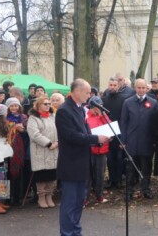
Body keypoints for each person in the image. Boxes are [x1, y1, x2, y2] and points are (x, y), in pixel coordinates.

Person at [56, 79, 109, 236]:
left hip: (82, 163)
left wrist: (101, 139)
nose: (89, 96)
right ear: (77, 91)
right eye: (87, 93)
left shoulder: (80, 109)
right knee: (69, 203)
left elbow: (86, 133)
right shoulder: (64, 110)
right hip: (71, 165)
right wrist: (95, 139)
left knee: (79, 202)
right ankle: (67, 233)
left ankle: (76, 232)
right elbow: (71, 136)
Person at [120, 79, 158, 200]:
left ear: (147, 89)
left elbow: (157, 123)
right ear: (135, 88)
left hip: (147, 141)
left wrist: (155, 141)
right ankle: (129, 191)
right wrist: (123, 140)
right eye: (139, 88)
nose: (141, 90)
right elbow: (124, 122)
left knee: (146, 168)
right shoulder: (128, 102)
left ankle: (145, 189)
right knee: (130, 168)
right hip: (131, 141)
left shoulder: (153, 102)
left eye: (143, 88)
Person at [27, 97, 58, 208]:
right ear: (38, 105)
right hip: (40, 150)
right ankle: (41, 197)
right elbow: (34, 134)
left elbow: (59, 129)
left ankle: (49, 196)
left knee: (51, 175)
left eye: (49, 103)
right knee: (42, 175)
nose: (48, 105)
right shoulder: (33, 118)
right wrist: (49, 143)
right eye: (45, 103)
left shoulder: (53, 116)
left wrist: (57, 142)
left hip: (54, 149)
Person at [102, 77, 129, 190]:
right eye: (111, 85)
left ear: (118, 86)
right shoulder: (103, 99)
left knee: (119, 157)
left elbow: (125, 118)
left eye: (114, 85)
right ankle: (111, 179)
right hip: (107, 132)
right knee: (109, 158)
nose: (112, 87)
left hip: (119, 132)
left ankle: (118, 180)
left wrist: (123, 136)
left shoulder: (124, 99)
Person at [85, 96, 110, 204]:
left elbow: (111, 128)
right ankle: (84, 198)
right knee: (87, 176)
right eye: (96, 106)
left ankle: (99, 195)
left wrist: (103, 117)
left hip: (102, 150)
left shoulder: (104, 116)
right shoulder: (85, 117)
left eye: (100, 106)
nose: (98, 109)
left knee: (100, 174)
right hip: (89, 151)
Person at [5, 97, 29, 205]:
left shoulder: (24, 117)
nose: (14, 108)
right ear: (8, 107)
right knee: (6, 173)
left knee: (19, 172)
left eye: (16, 105)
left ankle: (17, 196)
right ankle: (6, 198)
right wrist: (13, 128)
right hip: (6, 148)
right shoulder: (4, 118)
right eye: (11, 106)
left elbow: (28, 133)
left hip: (20, 148)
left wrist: (22, 130)